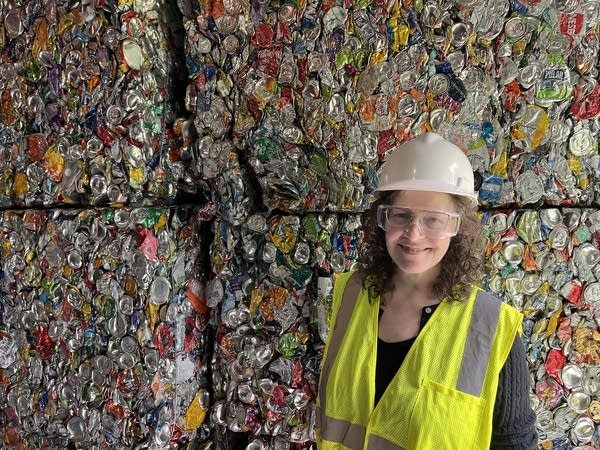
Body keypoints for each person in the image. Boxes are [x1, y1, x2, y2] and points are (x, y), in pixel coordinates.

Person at [316, 132, 538, 449]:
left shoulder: (489, 328)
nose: (413, 234)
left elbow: (515, 443)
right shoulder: (350, 294)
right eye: (401, 215)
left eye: (433, 219)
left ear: (458, 227)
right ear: (382, 217)